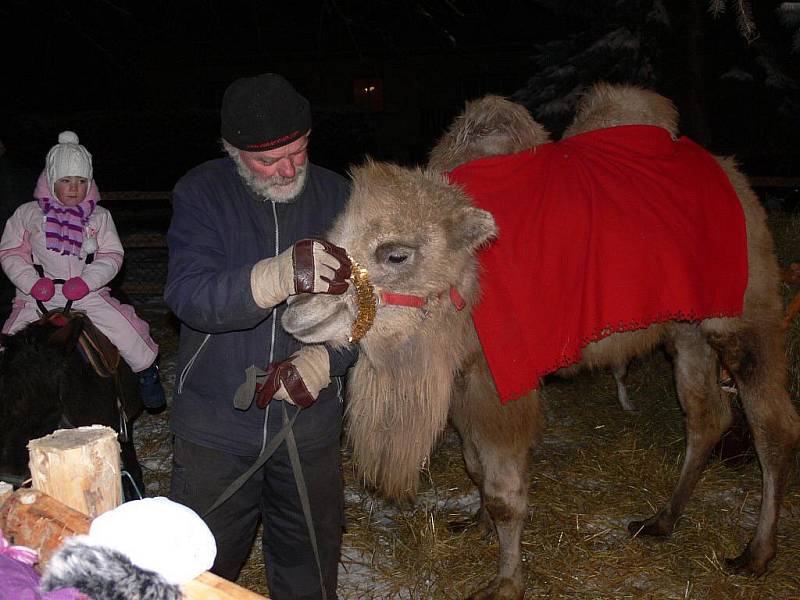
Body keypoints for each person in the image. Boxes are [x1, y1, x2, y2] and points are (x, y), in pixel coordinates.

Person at [165, 73, 357, 599]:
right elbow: (188, 296)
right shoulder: (202, 191)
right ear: (232, 151)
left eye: (298, 151)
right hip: (218, 424)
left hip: (308, 421)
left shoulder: (339, 195)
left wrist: (326, 362)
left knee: (311, 562)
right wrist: (274, 276)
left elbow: (368, 309)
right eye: (267, 161)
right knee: (199, 566)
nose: (288, 169)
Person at [0, 131, 166, 410]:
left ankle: (146, 376)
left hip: (87, 295)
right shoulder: (28, 214)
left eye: (81, 181)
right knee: (10, 346)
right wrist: (31, 282)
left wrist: (87, 282)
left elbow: (112, 254)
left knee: (128, 331)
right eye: (66, 181)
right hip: (39, 297)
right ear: (51, 181)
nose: (74, 188)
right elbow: (11, 252)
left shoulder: (99, 217)